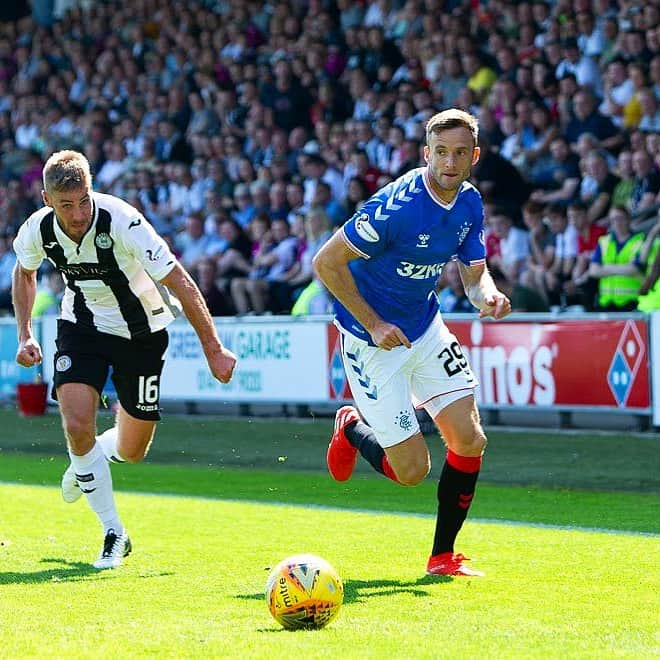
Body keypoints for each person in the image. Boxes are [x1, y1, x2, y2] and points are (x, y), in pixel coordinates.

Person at [11, 150, 237, 570]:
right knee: (76, 424)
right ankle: (114, 531)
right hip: (81, 328)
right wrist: (24, 334)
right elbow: (24, 272)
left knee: (133, 451)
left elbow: (180, 281)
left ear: (91, 189)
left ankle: (88, 461)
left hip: (143, 334)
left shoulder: (123, 221)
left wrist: (214, 347)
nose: (78, 214)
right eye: (66, 205)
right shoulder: (37, 230)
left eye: (83, 200)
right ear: (47, 200)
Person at [313, 109, 511, 577]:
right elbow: (326, 263)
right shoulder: (397, 207)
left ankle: (442, 557)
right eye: (441, 152)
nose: (450, 161)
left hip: (425, 329)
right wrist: (375, 322)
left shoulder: (469, 203)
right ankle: (350, 428)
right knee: (411, 472)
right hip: (371, 342)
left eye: (460, 152)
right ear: (426, 154)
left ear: (473, 157)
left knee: (470, 439)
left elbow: (473, 274)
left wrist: (489, 295)